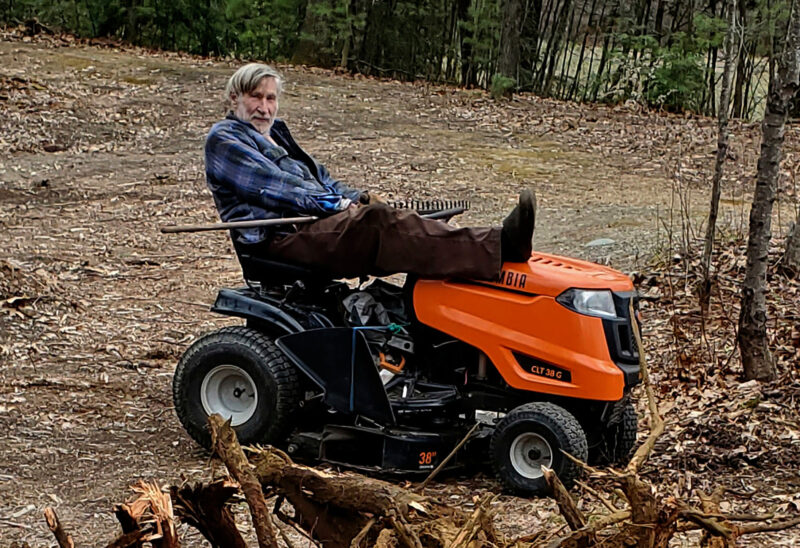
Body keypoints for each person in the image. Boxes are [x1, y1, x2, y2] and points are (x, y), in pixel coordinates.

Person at [205, 63, 535, 280]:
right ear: (235, 97)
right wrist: (342, 206)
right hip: (278, 239)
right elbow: (281, 188)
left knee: (405, 217)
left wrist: (357, 196)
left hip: (311, 225)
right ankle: (501, 246)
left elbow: (321, 179)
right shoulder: (225, 139)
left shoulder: (276, 133)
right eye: (256, 97)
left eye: (271, 98)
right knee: (377, 223)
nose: (265, 107)